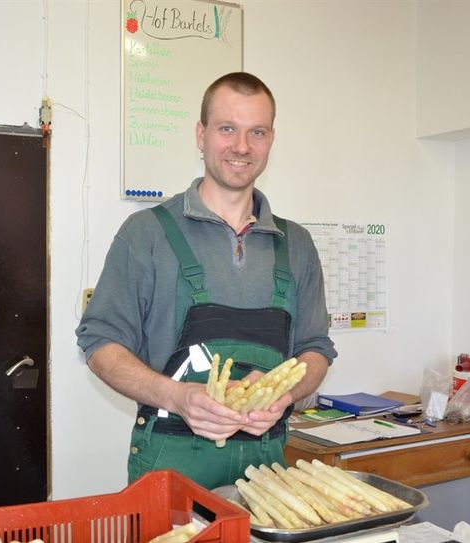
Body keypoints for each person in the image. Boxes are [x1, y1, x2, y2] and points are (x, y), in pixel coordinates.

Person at [76, 72, 337, 490]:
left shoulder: (298, 245)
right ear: (201, 134)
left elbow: (315, 349)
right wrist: (178, 397)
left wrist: (283, 393)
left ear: (271, 139)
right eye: (227, 128)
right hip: (171, 471)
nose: (241, 146)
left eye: (257, 132)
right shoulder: (146, 234)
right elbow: (100, 344)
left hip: (266, 477)